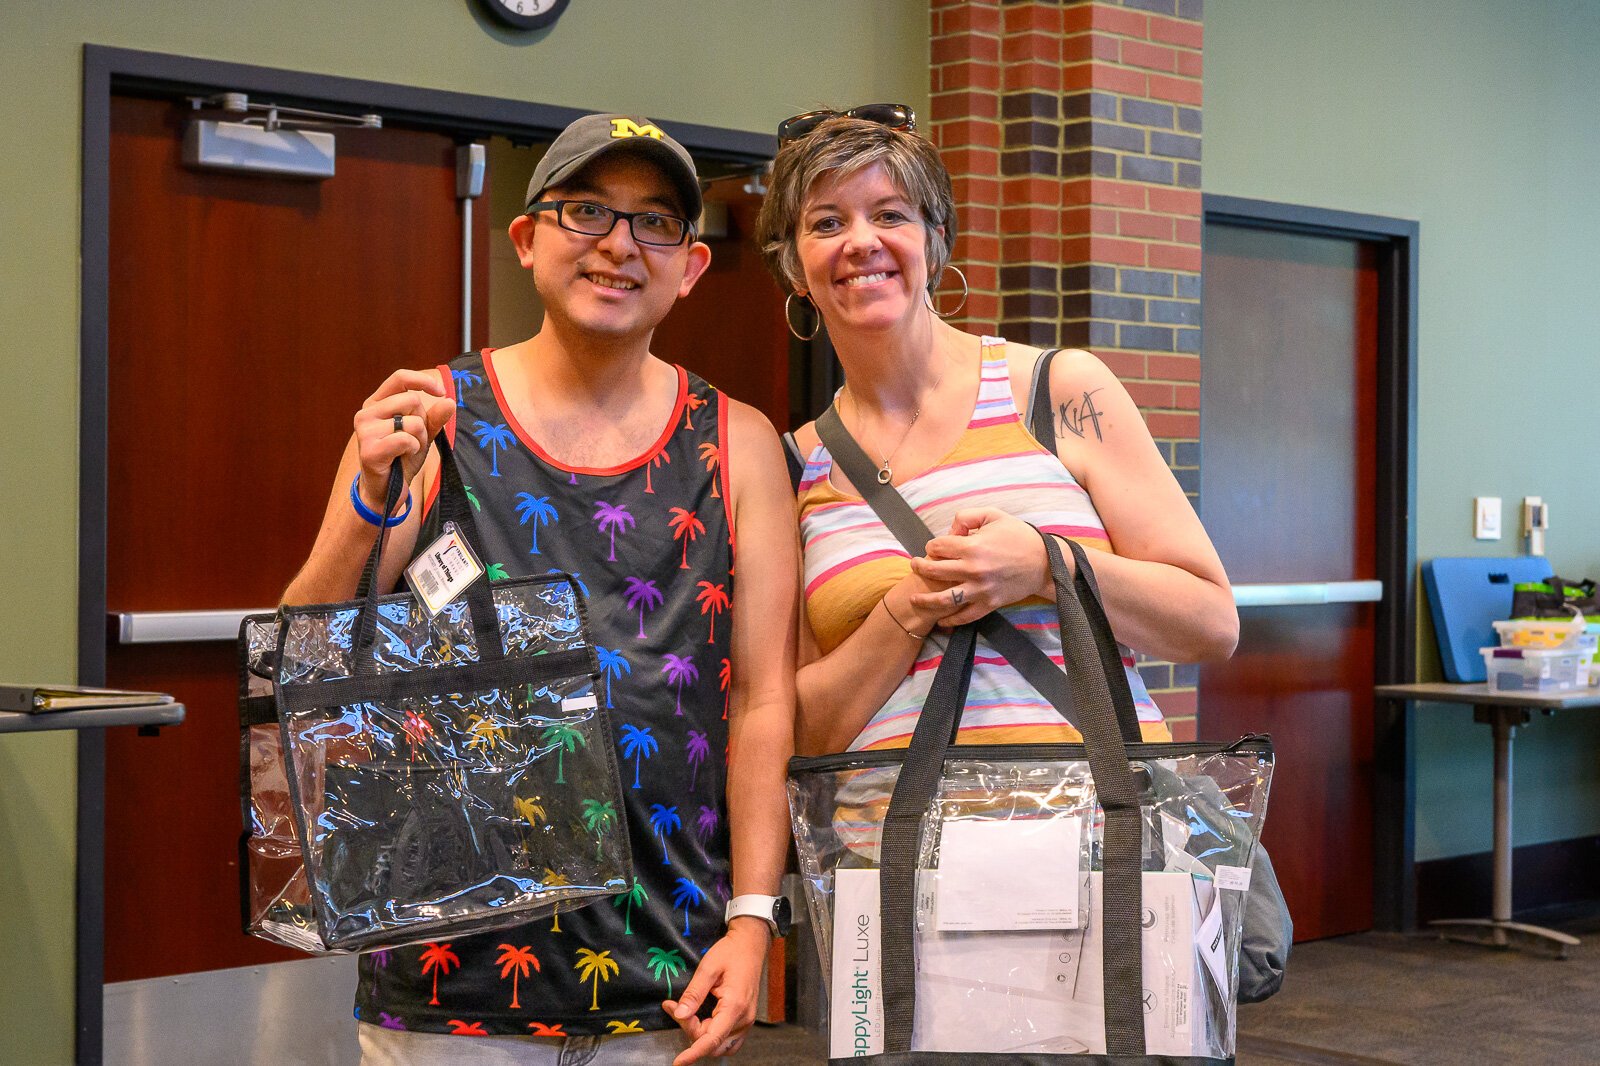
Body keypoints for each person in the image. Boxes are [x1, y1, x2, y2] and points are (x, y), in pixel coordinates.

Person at [283, 113, 798, 1065]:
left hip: (672, 980)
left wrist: (755, 920)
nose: (617, 245)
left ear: (690, 267)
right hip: (446, 985)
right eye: (585, 212)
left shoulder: (741, 442)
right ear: (527, 241)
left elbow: (764, 697)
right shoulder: (426, 415)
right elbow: (309, 654)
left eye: (655, 223)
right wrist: (367, 501)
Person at [752, 106, 1237, 756]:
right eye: (827, 223)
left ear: (935, 238)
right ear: (794, 269)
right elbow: (802, 730)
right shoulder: (792, 464)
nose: (861, 240)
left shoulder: (1057, 390)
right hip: (887, 848)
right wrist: (906, 609)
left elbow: (1210, 625)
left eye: (891, 214)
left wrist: (1044, 563)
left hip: (1092, 837)